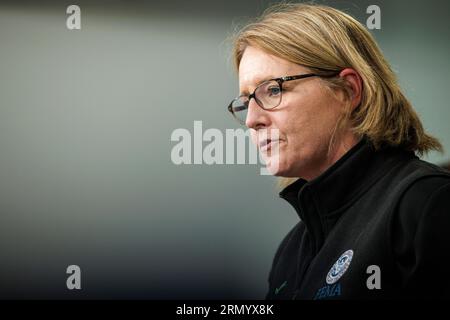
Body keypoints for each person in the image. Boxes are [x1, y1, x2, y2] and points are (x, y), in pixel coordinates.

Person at [226, 3, 450, 299]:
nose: (253, 120)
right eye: (246, 101)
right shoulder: (290, 251)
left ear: (347, 91)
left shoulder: (426, 205)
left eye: (273, 90)